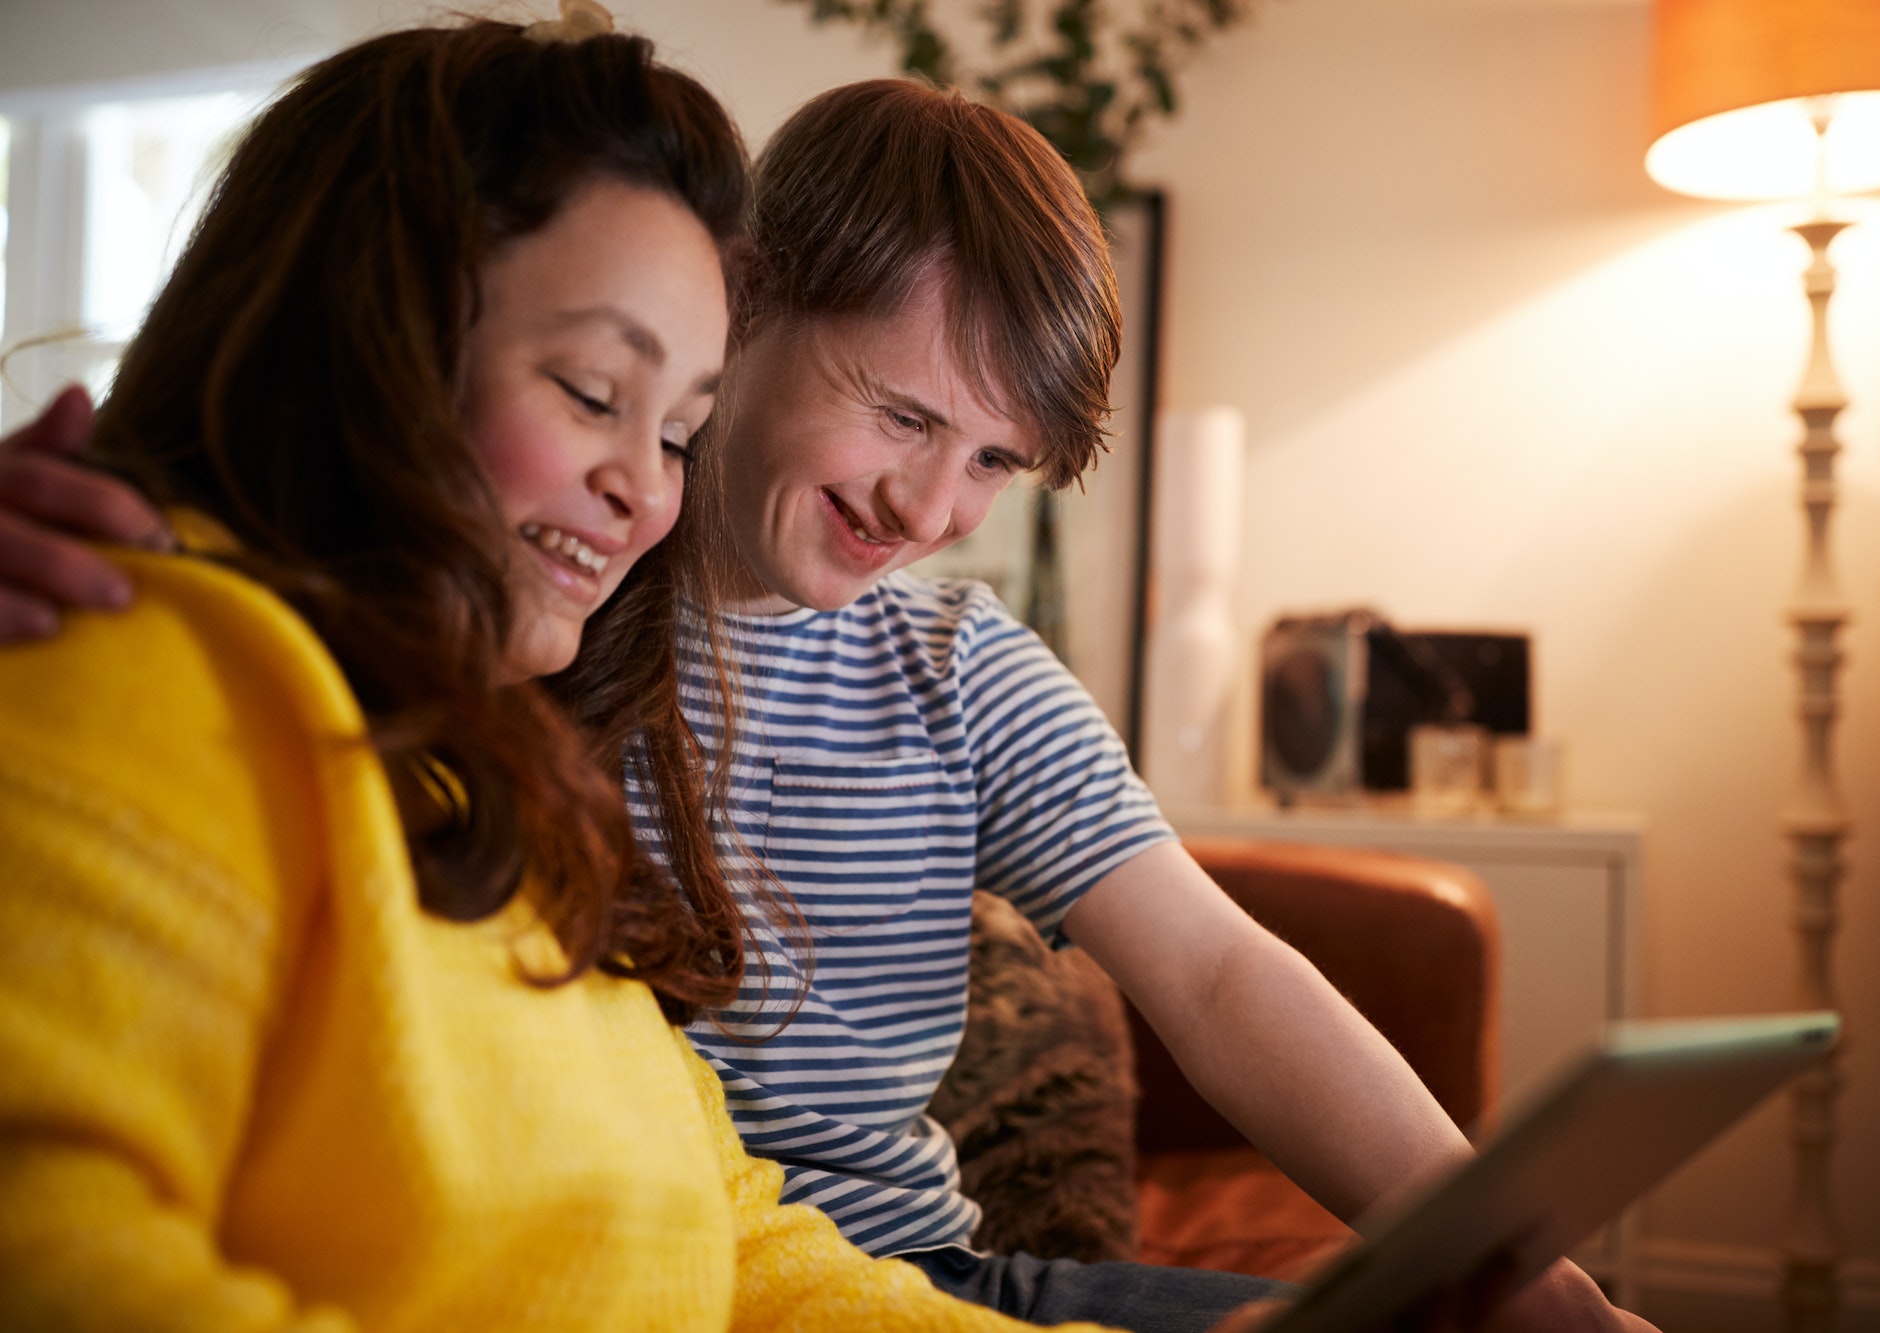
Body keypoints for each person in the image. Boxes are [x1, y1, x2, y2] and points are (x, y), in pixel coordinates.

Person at [0, 59, 1652, 1333]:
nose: (936, 510)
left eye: (996, 461)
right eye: (903, 417)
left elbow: (1216, 974)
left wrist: (1493, 1248)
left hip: (900, 1269)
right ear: (755, 300)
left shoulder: (946, 671)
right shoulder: (523, 614)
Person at [0, 13, 1110, 1331]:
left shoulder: (507, 779)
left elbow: (731, 1231)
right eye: (593, 391)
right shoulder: (135, 663)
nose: (647, 490)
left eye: (682, 430)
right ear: (374, 338)